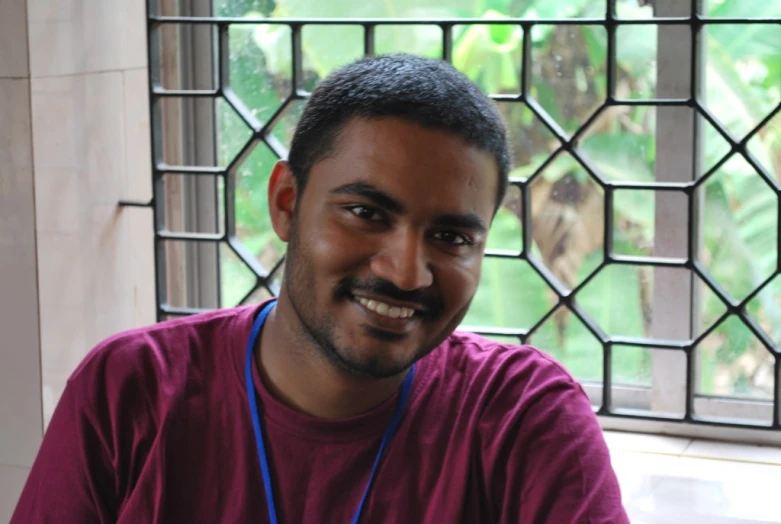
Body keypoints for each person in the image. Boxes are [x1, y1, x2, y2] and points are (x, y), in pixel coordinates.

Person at [12, 54, 629, 523]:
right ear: (286, 203)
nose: (407, 272)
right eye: (365, 213)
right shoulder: (130, 392)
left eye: (450, 237)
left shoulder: (524, 418)